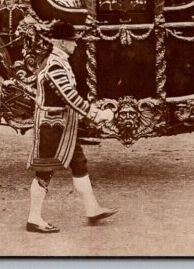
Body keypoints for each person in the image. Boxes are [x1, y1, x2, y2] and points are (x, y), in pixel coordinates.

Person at [26, 21, 117, 233]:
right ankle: (33, 218)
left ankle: (92, 208)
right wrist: (96, 114)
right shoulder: (55, 65)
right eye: (71, 41)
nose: (75, 44)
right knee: (44, 172)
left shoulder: (58, 61)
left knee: (79, 163)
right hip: (52, 125)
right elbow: (70, 97)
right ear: (60, 42)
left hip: (62, 125)